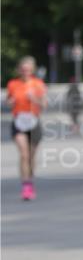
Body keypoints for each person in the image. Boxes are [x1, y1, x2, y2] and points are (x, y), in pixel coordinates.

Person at [6, 55, 47, 201]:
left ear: (32, 70)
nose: (25, 72)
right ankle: (26, 186)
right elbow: (8, 101)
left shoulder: (38, 84)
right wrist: (10, 102)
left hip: (33, 122)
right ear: (19, 70)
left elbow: (44, 105)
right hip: (18, 122)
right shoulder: (13, 84)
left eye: (28, 70)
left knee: (31, 157)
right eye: (23, 70)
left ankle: (30, 180)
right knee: (24, 154)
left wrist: (34, 98)